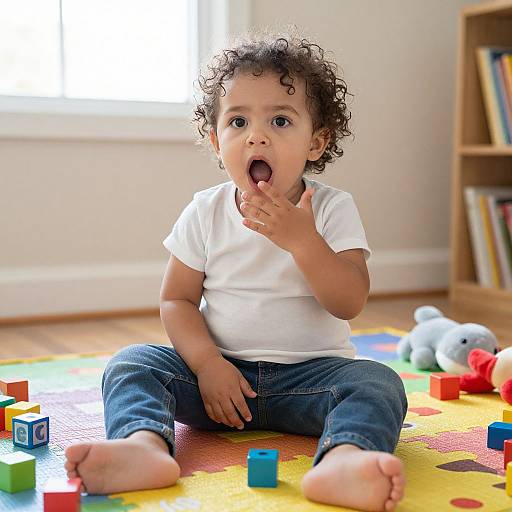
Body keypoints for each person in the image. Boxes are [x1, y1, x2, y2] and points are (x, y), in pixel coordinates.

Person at [64, 29, 408, 512]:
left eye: (281, 120)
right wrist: (207, 365)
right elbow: (177, 300)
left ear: (317, 141)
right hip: (219, 383)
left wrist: (301, 240)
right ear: (216, 139)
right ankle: (144, 448)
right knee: (133, 362)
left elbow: (349, 301)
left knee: (379, 384)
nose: (257, 135)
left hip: (311, 382)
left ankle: (344, 461)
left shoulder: (330, 208)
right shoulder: (205, 211)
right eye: (239, 120)